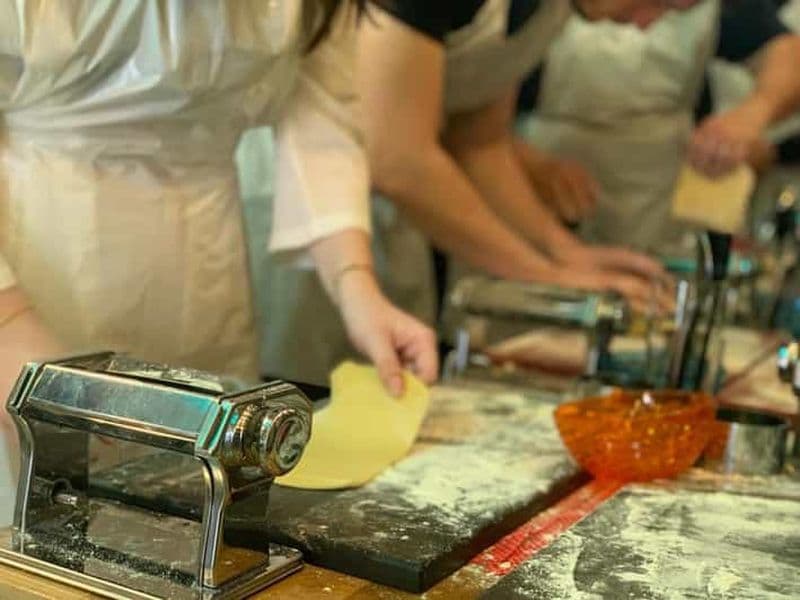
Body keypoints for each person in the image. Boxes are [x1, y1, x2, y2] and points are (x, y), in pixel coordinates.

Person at [0, 0, 438, 524]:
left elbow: (318, 109)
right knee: (57, 523)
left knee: (197, 513)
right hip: (38, 272)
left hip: (206, 271)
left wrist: (355, 284)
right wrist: (9, 327)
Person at [250, 0, 674, 388]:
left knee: (387, 386)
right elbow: (398, 158)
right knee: (304, 398)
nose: (647, 25)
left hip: (389, 224)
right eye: (661, 1)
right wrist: (548, 276)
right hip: (308, 207)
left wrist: (564, 253)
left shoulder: (550, 11)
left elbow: (480, 144)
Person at [516, 0, 800, 253]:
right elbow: (488, 123)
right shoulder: (525, 11)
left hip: (656, 206)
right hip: (534, 198)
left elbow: (787, 52)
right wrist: (528, 163)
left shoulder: (716, 8)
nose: (643, 25)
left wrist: (752, 113)